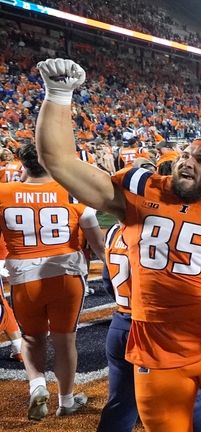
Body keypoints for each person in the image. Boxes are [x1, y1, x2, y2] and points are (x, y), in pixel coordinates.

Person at [35, 58, 201, 432]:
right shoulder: (139, 194)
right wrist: (58, 95)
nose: (187, 162)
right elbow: (59, 161)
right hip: (153, 348)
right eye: (186, 155)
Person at [0, 143, 106, 420]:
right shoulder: (72, 193)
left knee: (32, 338)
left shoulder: (3, 192)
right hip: (66, 277)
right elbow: (100, 247)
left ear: (23, 165)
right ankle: (66, 400)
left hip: (24, 279)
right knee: (65, 340)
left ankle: (37, 385)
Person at [97, 222, 201, 432]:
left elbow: (108, 282)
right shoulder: (167, 229)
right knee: (194, 399)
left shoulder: (115, 231)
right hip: (161, 331)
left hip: (121, 325)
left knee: (120, 405)